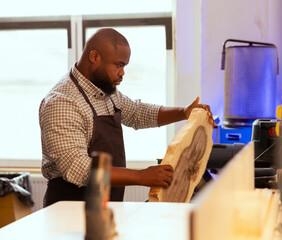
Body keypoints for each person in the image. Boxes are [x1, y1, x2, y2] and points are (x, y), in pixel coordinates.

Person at [39, 28, 214, 206]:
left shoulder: (104, 91)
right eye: (118, 65)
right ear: (94, 57)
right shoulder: (62, 103)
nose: (123, 73)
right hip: (69, 209)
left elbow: (137, 113)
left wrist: (184, 112)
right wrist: (141, 176)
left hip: (103, 206)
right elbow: (79, 169)